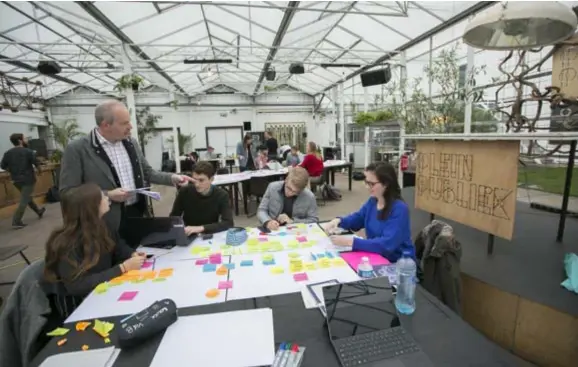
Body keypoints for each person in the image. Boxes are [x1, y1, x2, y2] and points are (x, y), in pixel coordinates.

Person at [59, 100, 193, 243]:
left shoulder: (131, 143)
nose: (130, 127)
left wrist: (173, 177)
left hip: (137, 213)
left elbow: (147, 172)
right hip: (103, 221)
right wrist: (108, 195)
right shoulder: (78, 149)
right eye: (124, 123)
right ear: (106, 125)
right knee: (114, 260)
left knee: (140, 256)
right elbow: (67, 192)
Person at [42, 183, 145, 320]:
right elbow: (77, 286)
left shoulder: (103, 225)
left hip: (104, 292)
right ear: (92, 207)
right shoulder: (66, 244)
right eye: (103, 197)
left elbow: (118, 246)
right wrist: (123, 268)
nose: (108, 198)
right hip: (80, 307)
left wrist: (131, 254)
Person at [323, 162, 414, 263]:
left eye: (372, 184)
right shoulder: (373, 201)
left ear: (386, 184)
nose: (367, 187)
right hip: (376, 256)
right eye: (366, 182)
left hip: (399, 263)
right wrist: (339, 221)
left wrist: (351, 242)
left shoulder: (400, 209)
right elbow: (358, 218)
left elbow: (386, 244)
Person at [170, 161, 234, 235]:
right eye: (194, 180)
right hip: (188, 234)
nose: (197, 184)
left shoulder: (222, 195)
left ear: (211, 179)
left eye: (201, 180)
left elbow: (228, 223)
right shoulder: (184, 192)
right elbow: (173, 218)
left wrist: (200, 228)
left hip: (209, 234)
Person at [0, 133, 46, 228]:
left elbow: (2, 166)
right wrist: (40, 171)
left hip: (15, 180)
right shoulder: (28, 151)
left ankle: (38, 211)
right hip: (27, 179)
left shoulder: (7, 153)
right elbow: (36, 163)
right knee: (24, 200)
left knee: (27, 197)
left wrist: (12, 170)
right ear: (20, 140)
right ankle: (16, 221)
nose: (26, 140)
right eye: (24, 138)